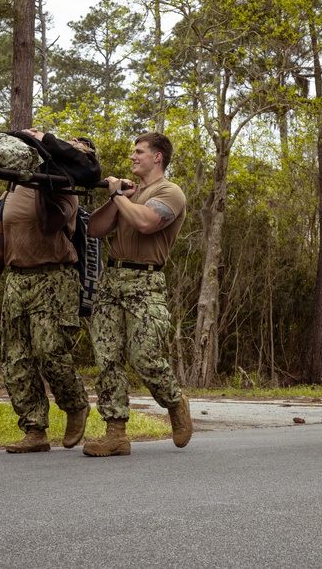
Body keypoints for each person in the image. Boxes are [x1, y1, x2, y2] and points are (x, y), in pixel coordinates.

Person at [0, 130, 95, 453]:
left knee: (50, 351)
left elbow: (49, 224)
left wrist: (43, 181)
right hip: (16, 280)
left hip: (53, 278)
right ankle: (34, 429)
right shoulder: (10, 191)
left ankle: (75, 405)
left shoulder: (65, 187)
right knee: (15, 358)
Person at [81, 132, 192, 457]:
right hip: (111, 279)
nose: (133, 157)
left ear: (157, 157)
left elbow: (146, 222)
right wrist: (117, 197)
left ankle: (174, 400)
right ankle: (116, 433)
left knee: (143, 356)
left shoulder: (169, 192)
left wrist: (120, 197)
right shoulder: (130, 195)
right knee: (107, 357)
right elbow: (95, 230)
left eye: (139, 151)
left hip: (145, 282)